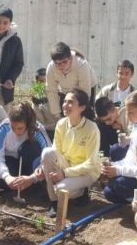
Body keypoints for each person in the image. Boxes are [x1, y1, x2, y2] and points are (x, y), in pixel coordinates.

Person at [41, 89, 101, 217]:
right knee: (47, 152)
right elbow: (56, 152)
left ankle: (82, 191)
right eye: (65, 101)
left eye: (70, 102)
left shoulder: (91, 128)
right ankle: (54, 201)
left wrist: (64, 173)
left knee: (61, 189)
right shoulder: (61, 124)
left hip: (86, 172)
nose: (65, 105)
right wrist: (46, 168)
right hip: (67, 165)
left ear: (82, 107)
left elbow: (91, 163)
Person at [0, 101, 51, 192]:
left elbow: (49, 152)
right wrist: (7, 177)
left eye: (20, 128)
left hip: (30, 164)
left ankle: (32, 182)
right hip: (11, 162)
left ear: (27, 124)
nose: (16, 131)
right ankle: (22, 184)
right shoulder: (4, 127)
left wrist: (35, 174)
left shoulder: (37, 128)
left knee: (29, 148)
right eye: (13, 127)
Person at [45, 41, 95, 117]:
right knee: (64, 116)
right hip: (65, 91)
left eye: (64, 62)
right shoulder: (51, 67)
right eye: (57, 63)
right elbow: (51, 91)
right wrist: (57, 114)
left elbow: (85, 92)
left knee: (84, 115)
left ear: (70, 58)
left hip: (85, 90)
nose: (61, 66)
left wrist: (79, 112)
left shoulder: (81, 65)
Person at [31, 68, 59, 134]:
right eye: (41, 81)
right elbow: (39, 122)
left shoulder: (59, 93)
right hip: (47, 131)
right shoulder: (36, 98)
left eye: (47, 81)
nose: (44, 84)